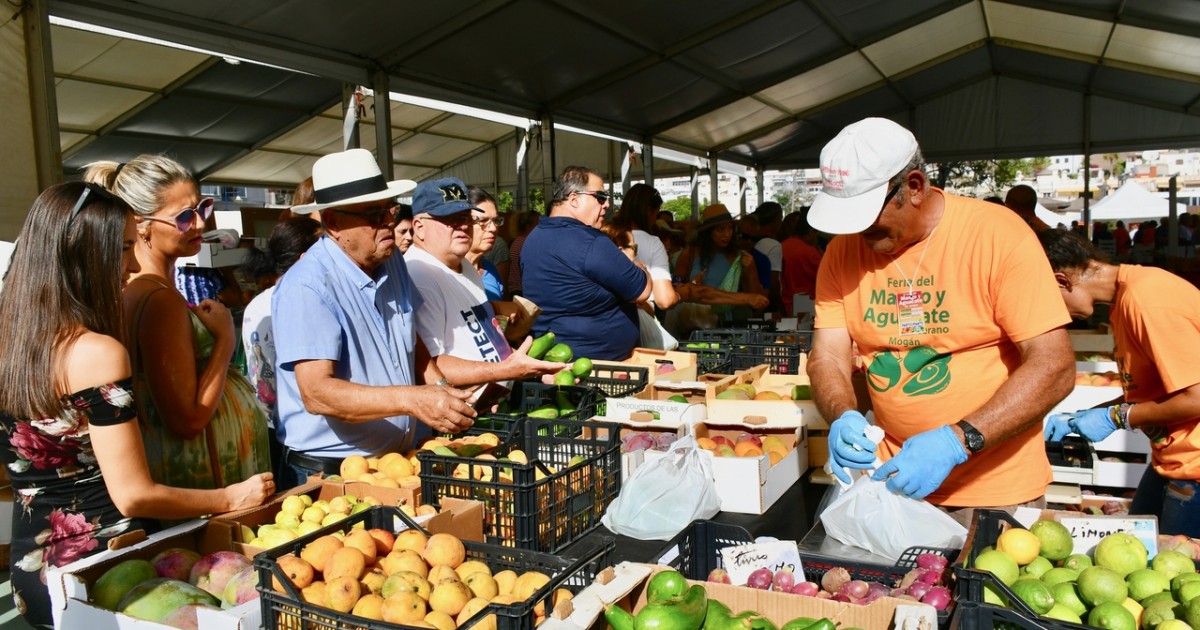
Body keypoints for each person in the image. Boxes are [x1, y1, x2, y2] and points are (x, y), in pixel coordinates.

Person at [0, 182, 272, 628]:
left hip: (34, 570)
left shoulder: (10, 343)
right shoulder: (97, 353)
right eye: (123, 249)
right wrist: (230, 497)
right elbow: (133, 495)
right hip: (105, 569)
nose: (129, 265)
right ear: (85, 257)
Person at [807, 118, 1074, 523]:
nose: (858, 232)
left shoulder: (996, 234)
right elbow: (827, 355)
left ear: (913, 187)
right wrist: (842, 414)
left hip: (994, 492)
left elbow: (1054, 366)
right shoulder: (842, 253)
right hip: (891, 483)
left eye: (867, 215)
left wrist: (958, 441)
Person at [272, 149, 475, 489]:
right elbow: (317, 393)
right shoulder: (306, 286)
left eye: (390, 211)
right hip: (332, 471)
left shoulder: (390, 259)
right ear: (334, 223)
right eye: (373, 214)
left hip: (396, 461)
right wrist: (413, 399)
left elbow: (411, 341)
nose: (388, 225)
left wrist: (441, 391)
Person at [87, 156, 271, 492]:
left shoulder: (147, 291)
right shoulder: (160, 300)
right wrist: (225, 341)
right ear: (142, 225)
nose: (200, 223)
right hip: (199, 474)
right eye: (184, 217)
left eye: (202, 207)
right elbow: (188, 419)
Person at [1040, 230, 1200, 536]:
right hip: (1171, 460)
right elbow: (1156, 391)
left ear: (1062, 281)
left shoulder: (1147, 300)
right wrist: (1088, 415)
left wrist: (1116, 418)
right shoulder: (1124, 301)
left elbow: (1196, 396)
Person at [404, 177, 561, 385]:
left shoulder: (463, 264)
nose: (462, 226)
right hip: (462, 408)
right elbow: (430, 365)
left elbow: (485, 338)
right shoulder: (419, 274)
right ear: (419, 227)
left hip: (493, 402)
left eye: (466, 218)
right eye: (450, 219)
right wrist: (503, 371)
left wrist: (538, 371)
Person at [521, 166, 652, 361]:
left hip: (555, 357)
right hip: (593, 368)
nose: (607, 204)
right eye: (600, 196)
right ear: (574, 199)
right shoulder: (591, 241)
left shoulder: (533, 238)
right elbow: (642, 291)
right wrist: (636, 263)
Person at [239, 216, 323, 474]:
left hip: (279, 432)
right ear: (303, 258)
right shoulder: (284, 303)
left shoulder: (260, 303)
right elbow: (265, 382)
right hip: (298, 440)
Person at [674, 204, 766, 316]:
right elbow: (675, 286)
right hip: (693, 322)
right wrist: (690, 286)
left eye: (730, 228)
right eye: (720, 230)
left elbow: (759, 303)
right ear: (708, 232)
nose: (727, 234)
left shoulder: (738, 257)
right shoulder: (690, 253)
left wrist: (752, 270)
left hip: (725, 325)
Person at [609, 183, 680, 310]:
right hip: (640, 318)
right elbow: (665, 300)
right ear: (649, 211)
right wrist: (679, 295)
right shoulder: (653, 243)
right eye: (656, 214)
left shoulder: (606, 235)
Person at [465, 186, 506, 302]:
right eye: (483, 221)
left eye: (495, 221)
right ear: (463, 223)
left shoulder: (491, 270)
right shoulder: (448, 273)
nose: (493, 228)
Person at [780, 207, 822, 315]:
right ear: (811, 232)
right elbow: (826, 278)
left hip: (784, 305)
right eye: (816, 234)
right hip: (806, 307)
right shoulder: (810, 253)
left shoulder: (782, 246)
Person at [751, 202, 785, 318]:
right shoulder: (774, 246)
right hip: (766, 301)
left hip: (750, 298)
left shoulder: (751, 240)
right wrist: (780, 306)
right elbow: (774, 281)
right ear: (776, 220)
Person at [506, 210, 539, 298]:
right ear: (529, 226)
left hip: (515, 290)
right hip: (521, 291)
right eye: (538, 224)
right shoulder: (526, 243)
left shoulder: (518, 241)